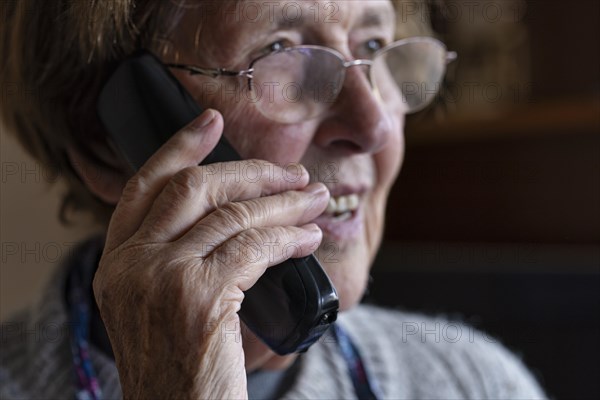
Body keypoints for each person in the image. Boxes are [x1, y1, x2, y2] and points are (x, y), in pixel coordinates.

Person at [0, 0, 546, 398]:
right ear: (110, 139)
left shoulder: (471, 383)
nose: (372, 124)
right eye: (281, 51)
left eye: (374, 45)